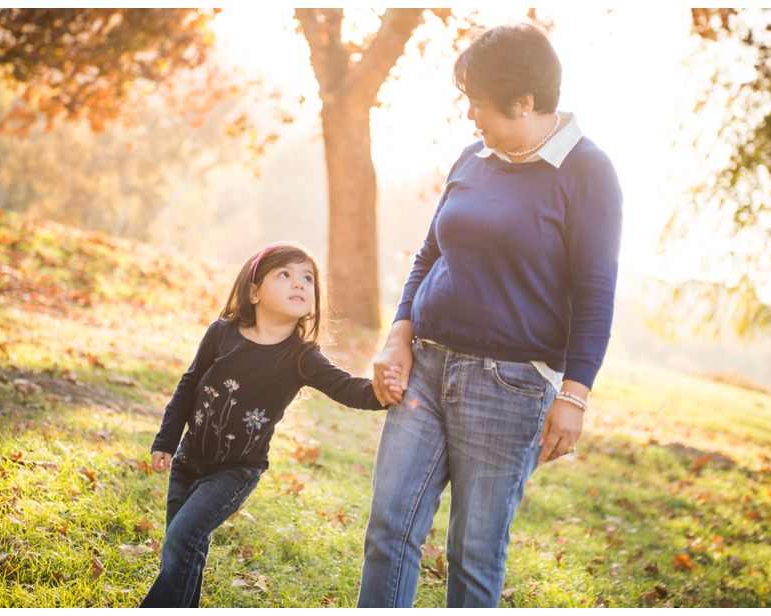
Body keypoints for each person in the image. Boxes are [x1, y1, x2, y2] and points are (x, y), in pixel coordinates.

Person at [358, 24, 623, 608]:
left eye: (478, 102)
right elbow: (430, 255)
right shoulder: (472, 156)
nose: (471, 115)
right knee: (389, 530)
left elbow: (597, 290)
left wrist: (574, 396)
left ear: (524, 102)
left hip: (511, 386)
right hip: (425, 368)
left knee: (473, 554)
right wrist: (399, 334)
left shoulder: (588, 172)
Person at [140, 242, 400, 608]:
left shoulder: (301, 357)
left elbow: (347, 387)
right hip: (187, 459)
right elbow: (190, 383)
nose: (299, 284)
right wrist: (166, 439)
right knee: (184, 547)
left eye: (307, 278)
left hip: (235, 470)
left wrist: (381, 393)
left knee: (181, 538)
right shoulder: (222, 333)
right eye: (285, 274)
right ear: (254, 290)